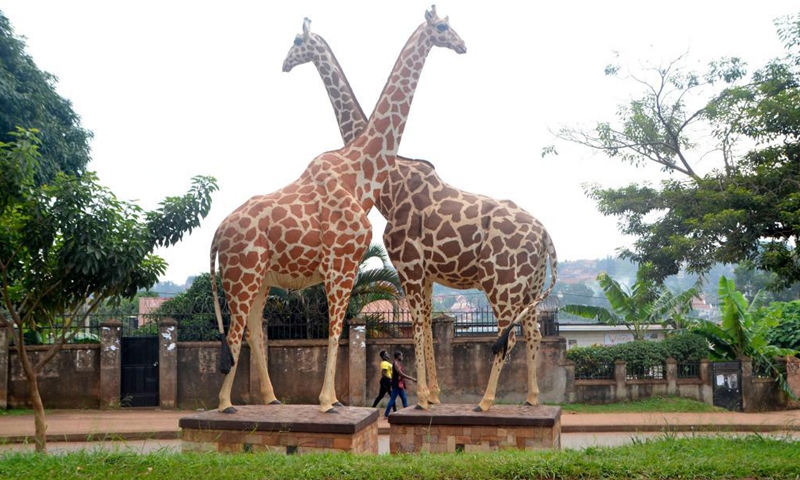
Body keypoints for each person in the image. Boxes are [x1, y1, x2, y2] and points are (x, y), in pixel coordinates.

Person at [384, 350, 416, 419]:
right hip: (396, 385)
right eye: (401, 355)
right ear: (398, 356)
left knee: (404, 399)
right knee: (392, 399)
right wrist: (411, 378)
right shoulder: (395, 364)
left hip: (400, 384)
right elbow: (401, 374)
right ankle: (386, 415)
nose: (402, 357)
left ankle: (406, 414)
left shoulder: (398, 363)